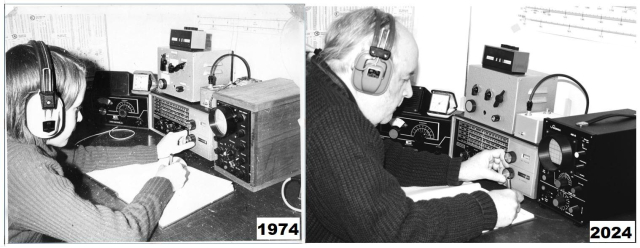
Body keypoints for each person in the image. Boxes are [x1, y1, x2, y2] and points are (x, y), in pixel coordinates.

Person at [306, 8, 524, 242]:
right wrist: (486, 209)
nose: (409, 91)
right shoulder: (335, 124)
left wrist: (459, 169)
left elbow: (374, 158)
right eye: (404, 78)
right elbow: (398, 231)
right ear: (371, 72)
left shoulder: (322, 89)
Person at [6, 41, 195, 243]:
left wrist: (156, 151)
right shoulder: (26, 168)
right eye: (76, 109)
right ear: (46, 113)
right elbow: (123, 237)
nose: (79, 118)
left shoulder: (16, 144)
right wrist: (165, 182)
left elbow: (78, 157)